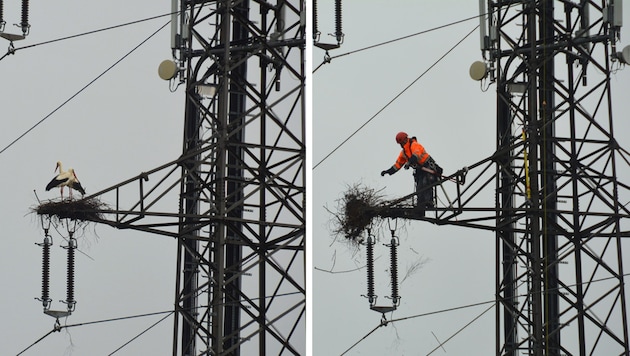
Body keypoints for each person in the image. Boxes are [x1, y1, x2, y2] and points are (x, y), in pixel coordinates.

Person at [381, 131, 443, 210]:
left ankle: (429, 202)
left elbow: (415, 155)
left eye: (402, 142)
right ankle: (420, 208)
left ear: (406, 139)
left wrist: (409, 162)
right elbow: (398, 165)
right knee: (419, 188)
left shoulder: (414, 145)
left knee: (426, 182)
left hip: (428, 167)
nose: (401, 144)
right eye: (400, 143)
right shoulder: (404, 152)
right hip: (420, 170)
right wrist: (388, 171)